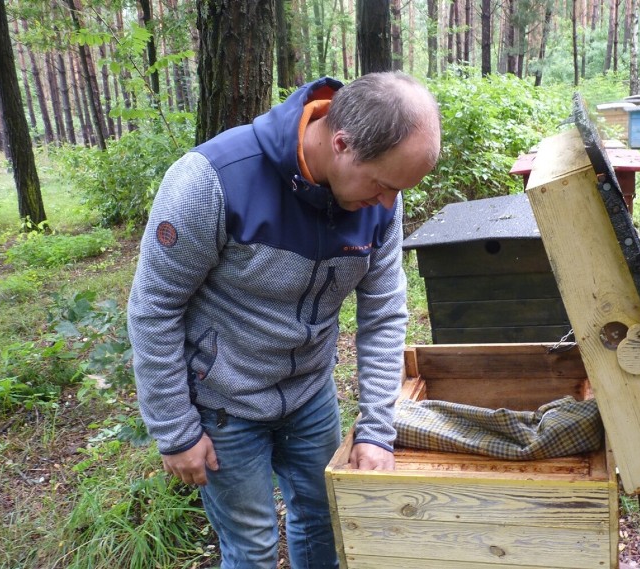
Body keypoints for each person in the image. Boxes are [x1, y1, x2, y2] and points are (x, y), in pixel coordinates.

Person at [127, 72, 441, 569]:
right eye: (382, 184)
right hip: (224, 402)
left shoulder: (383, 197)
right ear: (342, 144)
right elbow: (153, 308)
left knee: (324, 523)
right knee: (252, 549)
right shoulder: (212, 180)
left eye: (397, 190)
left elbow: (382, 314)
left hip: (309, 394)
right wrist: (175, 430)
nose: (387, 203)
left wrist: (377, 428)